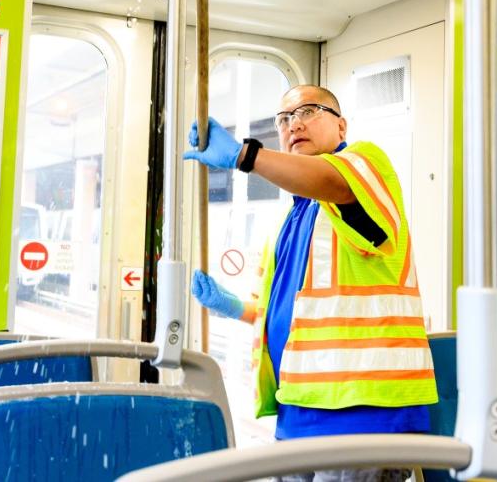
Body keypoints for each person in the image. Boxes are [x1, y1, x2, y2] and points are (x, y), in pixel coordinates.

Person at [185, 84, 437, 482]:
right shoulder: (290, 221)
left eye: (308, 111)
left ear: (341, 125)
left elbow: (331, 181)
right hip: (299, 408)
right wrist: (234, 308)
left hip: (362, 411)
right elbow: (288, 312)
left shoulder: (367, 166)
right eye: (284, 119)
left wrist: (244, 155)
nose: (294, 124)